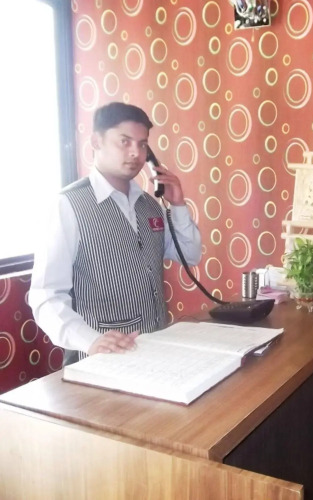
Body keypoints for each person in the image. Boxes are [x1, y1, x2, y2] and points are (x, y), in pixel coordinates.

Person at [29, 102, 202, 365]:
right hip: (99, 359)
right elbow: (45, 295)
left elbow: (190, 255)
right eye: (125, 141)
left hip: (154, 353)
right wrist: (89, 340)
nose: (136, 153)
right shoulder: (68, 205)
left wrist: (177, 205)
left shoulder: (149, 205)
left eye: (142, 145)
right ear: (96, 141)